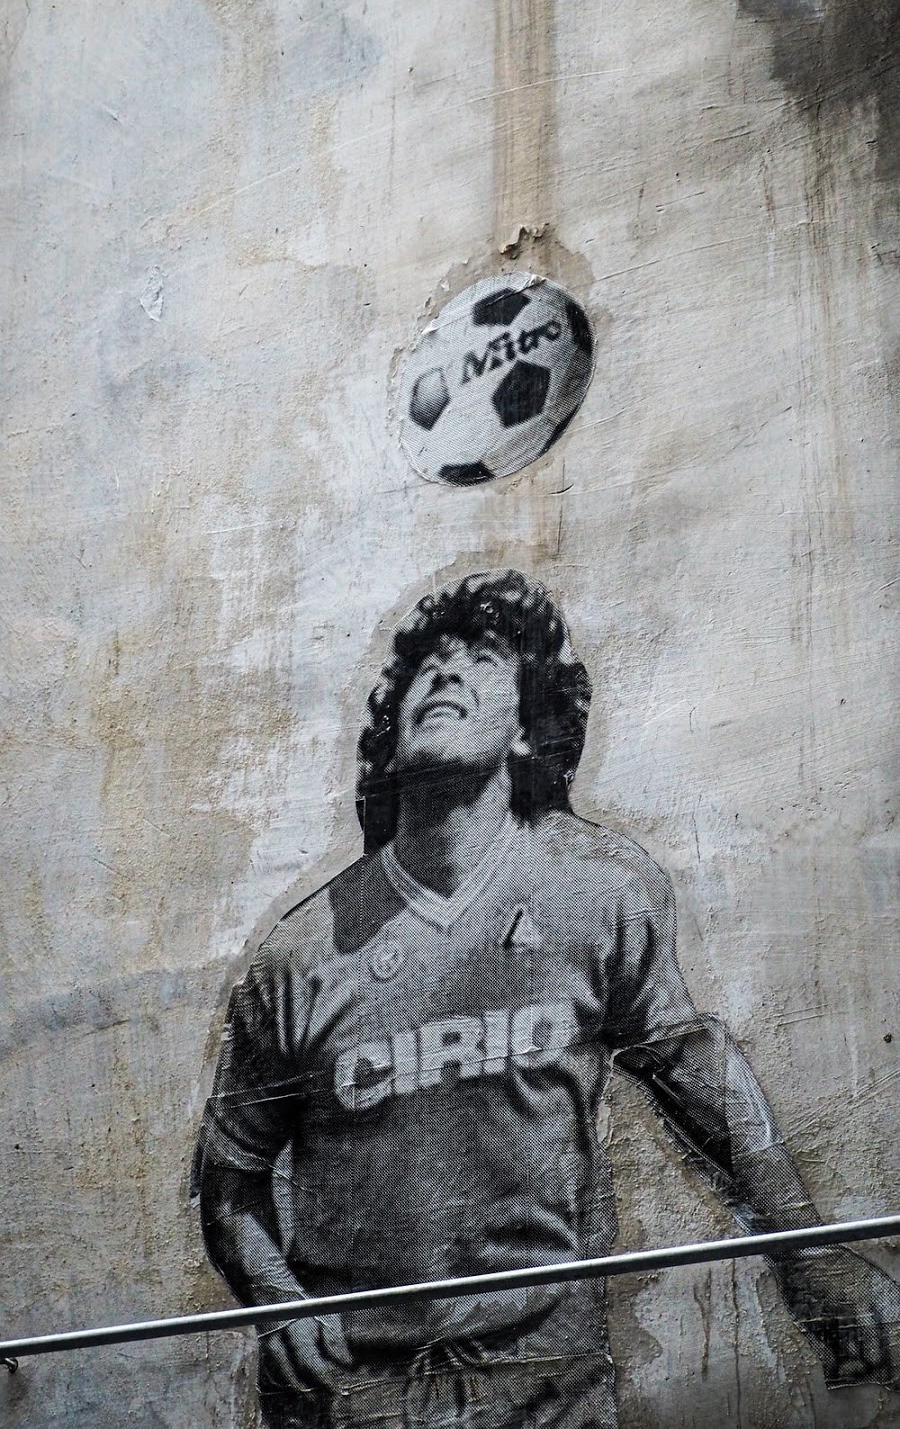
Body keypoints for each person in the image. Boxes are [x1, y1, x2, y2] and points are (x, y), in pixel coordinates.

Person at [193, 570, 899, 1428]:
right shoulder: (300, 952)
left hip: (546, 1390)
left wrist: (811, 1255)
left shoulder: (597, 888)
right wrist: (277, 1302)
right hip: (350, 1402)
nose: (445, 671)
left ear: (528, 728)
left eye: (482, 659)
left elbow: (697, 1079)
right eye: (427, 665)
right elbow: (230, 1179)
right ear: (393, 727)